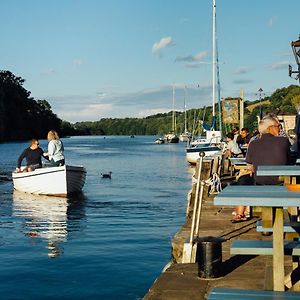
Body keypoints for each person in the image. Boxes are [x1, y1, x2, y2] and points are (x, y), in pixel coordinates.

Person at [231, 116, 291, 222]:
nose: (280, 129)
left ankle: (241, 212)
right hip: (281, 184)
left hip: (260, 183)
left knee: (243, 179)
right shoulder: (284, 141)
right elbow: (289, 159)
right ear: (270, 128)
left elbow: (249, 166)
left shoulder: (253, 144)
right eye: (278, 126)